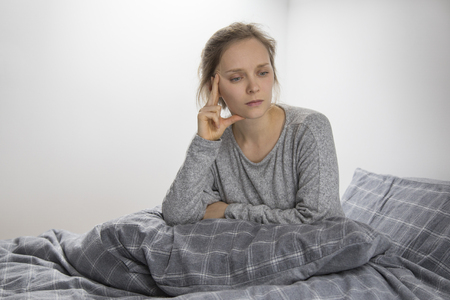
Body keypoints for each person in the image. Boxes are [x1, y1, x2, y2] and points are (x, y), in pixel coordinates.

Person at [162, 22, 344, 226]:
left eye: (262, 73)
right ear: (215, 87)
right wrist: (203, 144)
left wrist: (229, 211)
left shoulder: (309, 129)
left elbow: (322, 224)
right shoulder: (213, 142)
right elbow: (177, 215)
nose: (254, 87)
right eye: (237, 78)